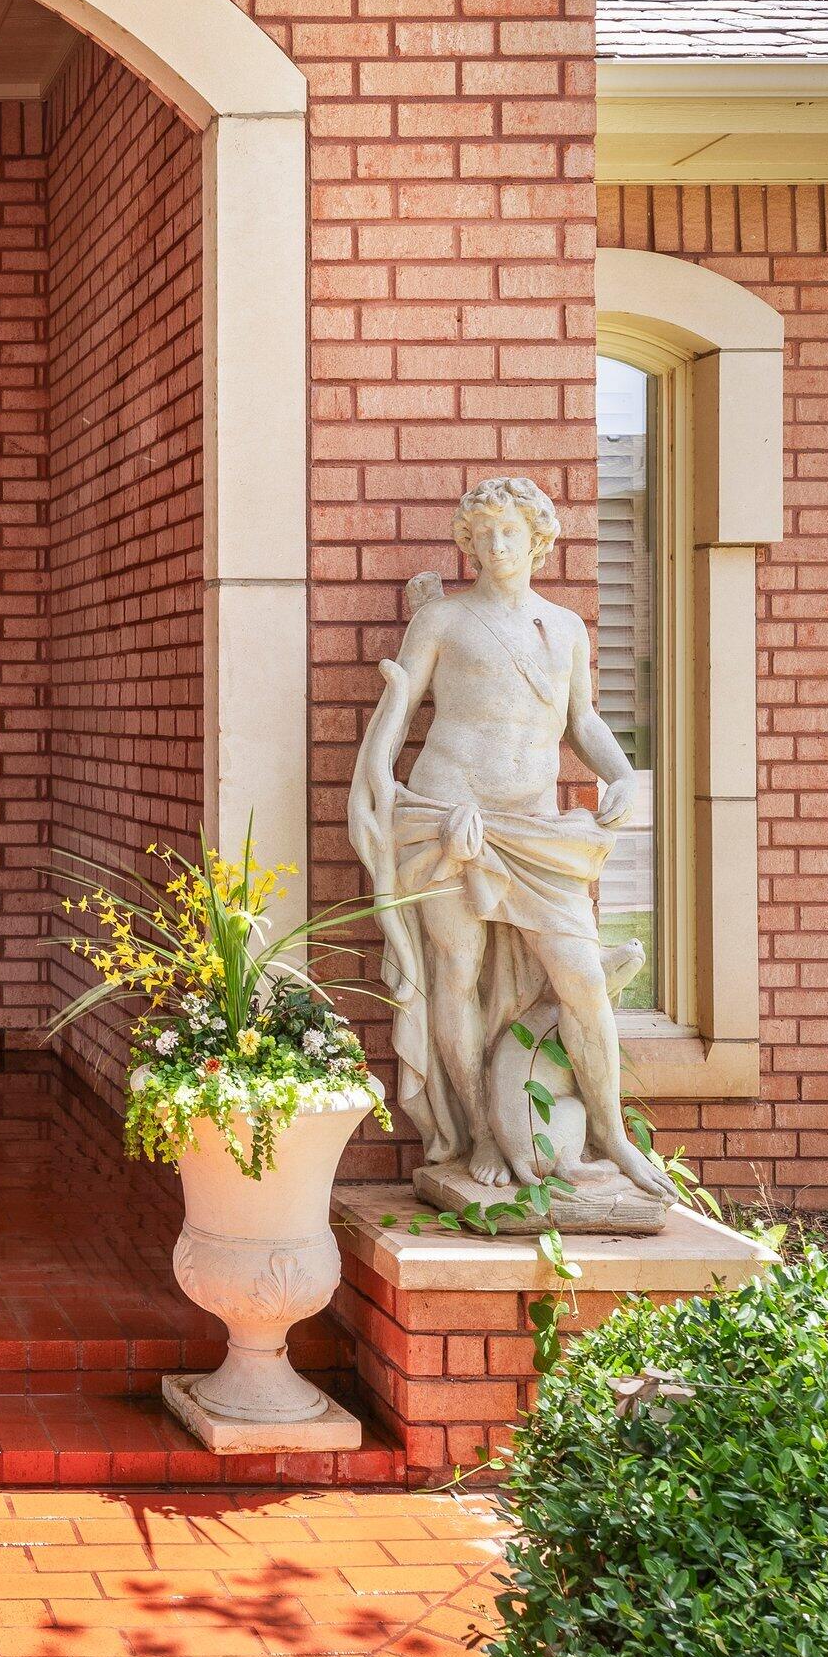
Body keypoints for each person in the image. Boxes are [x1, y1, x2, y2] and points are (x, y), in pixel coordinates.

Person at [347, 476, 671, 1202]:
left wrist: (621, 775)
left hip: (535, 826)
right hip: (445, 817)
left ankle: (612, 1133)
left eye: (511, 533)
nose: (496, 546)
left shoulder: (566, 628)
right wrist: (392, 801)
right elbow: (390, 731)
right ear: (468, 544)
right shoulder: (442, 621)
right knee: (454, 972)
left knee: (583, 977)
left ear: (538, 541)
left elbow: (580, 721)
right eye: (483, 534)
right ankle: (482, 1129)